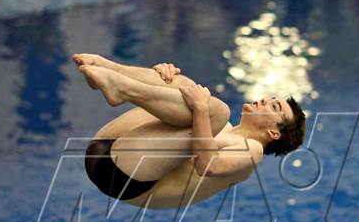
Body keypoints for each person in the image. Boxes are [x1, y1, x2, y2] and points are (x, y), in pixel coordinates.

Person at [72, 54, 306, 210]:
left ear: (274, 134)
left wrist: (201, 108)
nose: (265, 100)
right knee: (185, 85)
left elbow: (208, 165)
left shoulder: (252, 151)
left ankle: (122, 88)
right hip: (108, 145)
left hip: (123, 178)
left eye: (274, 108)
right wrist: (165, 79)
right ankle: (110, 71)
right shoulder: (219, 128)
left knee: (213, 109)